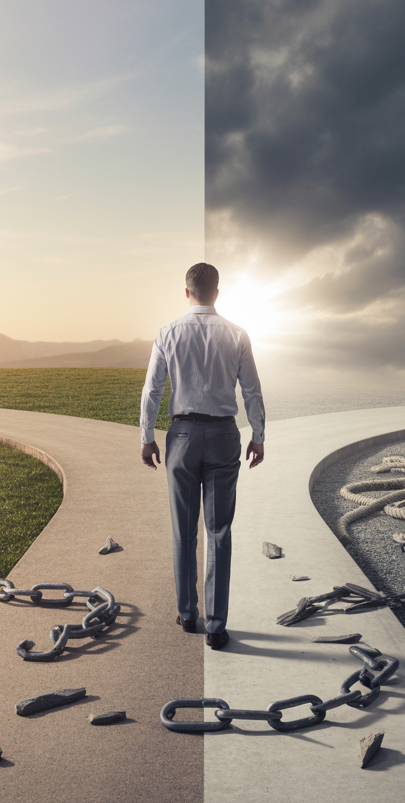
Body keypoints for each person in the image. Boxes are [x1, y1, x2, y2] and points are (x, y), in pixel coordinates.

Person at [139, 262, 265, 650]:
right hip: (224, 435)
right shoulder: (238, 334)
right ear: (217, 292)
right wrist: (258, 435)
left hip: (182, 436)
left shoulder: (167, 333)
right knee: (219, 531)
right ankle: (216, 626)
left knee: (184, 529)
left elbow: (152, 390)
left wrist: (147, 437)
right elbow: (252, 391)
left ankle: (187, 613)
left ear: (187, 292)